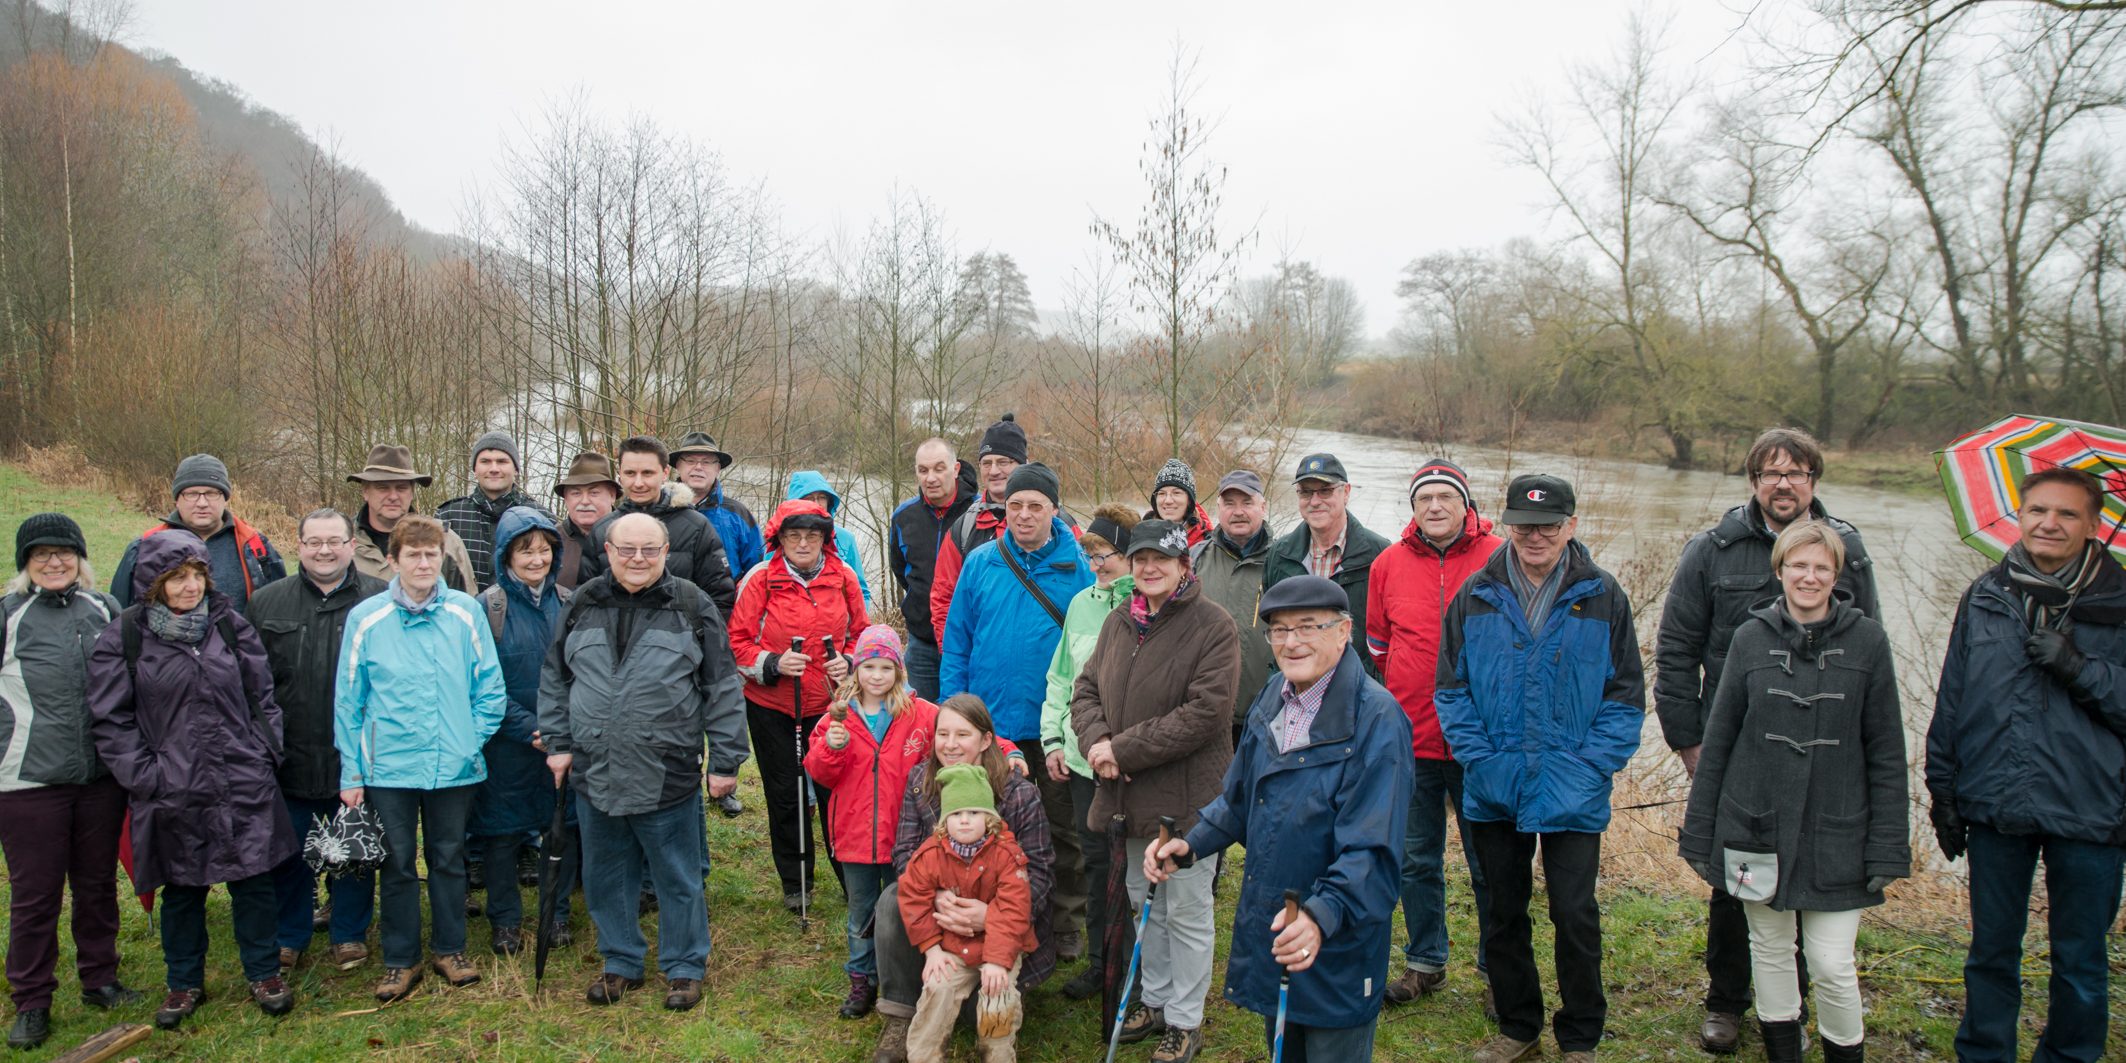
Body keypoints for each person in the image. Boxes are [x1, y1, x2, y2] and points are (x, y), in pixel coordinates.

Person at [1652, 427, 1879, 1053]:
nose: (1784, 484)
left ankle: (1791, 1006)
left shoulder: (1848, 551)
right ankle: (1726, 1001)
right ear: (1753, 481)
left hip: (1823, 755)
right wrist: (1689, 741)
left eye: (1796, 473)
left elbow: (1871, 655)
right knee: (1735, 883)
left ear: (1813, 481)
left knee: (1809, 877)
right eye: (1772, 472)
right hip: (1735, 751)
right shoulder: (1711, 550)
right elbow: (1676, 650)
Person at [1146, 575, 1415, 1062]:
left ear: (1343, 631)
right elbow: (1239, 797)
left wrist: (1320, 915)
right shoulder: (1274, 694)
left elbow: (1371, 850)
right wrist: (1191, 843)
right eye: (1279, 630)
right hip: (1279, 926)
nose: (1292, 642)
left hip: (1336, 939)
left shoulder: (1378, 719)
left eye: (1308, 626)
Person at [1434, 474, 1645, 1063]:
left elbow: (1626, 696)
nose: (1535, 536)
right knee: (1502, 912)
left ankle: (1580, 1037)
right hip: (1495, 786)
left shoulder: (1602, 596)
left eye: (1548, 526)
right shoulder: (1476, 593)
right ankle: (1518, 1027)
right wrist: (1481, 759)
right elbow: (1451, 690)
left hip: (1572, 786)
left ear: (1571, 526)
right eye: (1524, 526)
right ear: (1507, 525)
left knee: (1574, 913)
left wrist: (1591, 766)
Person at [1680, 520, 1908, 1063]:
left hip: (1839, 834)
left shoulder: (1869, 641)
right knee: (1770, 949)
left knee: (1831, 963)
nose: (1809, 577)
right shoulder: (1749, 639)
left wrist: (1888, 846)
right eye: (1798, 565)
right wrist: (1700, 833)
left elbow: (1887, 751)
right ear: (1779, 571)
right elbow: (1719, 743)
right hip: (1755, 826)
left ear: (1837, 575)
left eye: (1821, 567)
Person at [1927, 465, 2126, 1063]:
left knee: (2080, 959)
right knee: (1990, 952)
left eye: (2067, 513)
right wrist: (1944, 790)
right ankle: (1984, 1054)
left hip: (2091, 808)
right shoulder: (1986, 594)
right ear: (2019, 515)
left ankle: (2069, 1055)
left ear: (2094, 525)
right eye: (2038, 509)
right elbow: (1954, 696)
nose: (2049, 523)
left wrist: (2079, 668)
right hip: (1996, 800)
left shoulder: (2119, 601)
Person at [539, 512, 749, 1012]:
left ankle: (684, 966)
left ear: (665, 552)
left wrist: (725, 760)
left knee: (677, 875)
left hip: (666, 769)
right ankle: (620, 961)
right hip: (595, 769)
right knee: (607, 875)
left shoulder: (692, 605)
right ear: (608, 552)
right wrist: (558, 742)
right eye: (627, 549)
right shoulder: (582, 603)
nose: (638, 559)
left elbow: (721, 685)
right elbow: (555, 677)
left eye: (649, 550)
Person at [87, 532, 296, 1029]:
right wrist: (147, 775)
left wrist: (264, 753)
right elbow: (111, 719)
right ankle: (183, 982)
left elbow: (262, 695)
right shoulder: (127, 636)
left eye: (197, 575)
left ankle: (264, 973)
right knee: (182, 888)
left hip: (241, 775)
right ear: (153, 584)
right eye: (177, 578)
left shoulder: (228, 625)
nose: (190, 586)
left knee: (254, 880)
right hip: (172, 783)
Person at [1069, 518, 1239, 1063]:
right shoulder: (1120, 620)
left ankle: (1186, 1021)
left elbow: (1205, 713)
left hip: (1187, 800)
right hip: (1127, 795)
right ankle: (1158, 1002)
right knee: (1146, 901)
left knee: (1185, 908)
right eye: (1140, 559)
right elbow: (1085, 689)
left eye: (1161, 559)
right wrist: (1097, 742)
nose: (1149, 568)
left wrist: (1122, 750)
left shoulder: (1214, 626)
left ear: (1183, 565)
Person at [333, 515, 506, 1003]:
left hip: (454, 766)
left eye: (432, 554)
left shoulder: (465, 613)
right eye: (413, 555)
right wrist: (352, 771)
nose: (424, 563)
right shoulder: (367, 618)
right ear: (394, 560)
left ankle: (451, 949)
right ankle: (400, 958)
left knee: (449, 858)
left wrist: (469, 741)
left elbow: (490, 687)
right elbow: (349, 699)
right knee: (398, 862)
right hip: (389, 767)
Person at [939, 462, 1091, 961]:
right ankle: (991, 914)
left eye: (1035, 506)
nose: (1024, 515)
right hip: (991, 724)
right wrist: (955, 713)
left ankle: (1065, 920)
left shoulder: (1079, 569)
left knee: (1063, 826)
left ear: (1055, 511)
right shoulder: (981, 562)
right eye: (1016, 505)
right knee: (989, 824)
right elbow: (957, 642)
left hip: (1054, 726)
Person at [1365, 458, 1500, 1008]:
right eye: (1425, 498)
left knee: (1489, 862)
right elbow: (1378, 644)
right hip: (1413, 737)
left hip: (1482, 742)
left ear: (1466, 505)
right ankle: (1425, 960)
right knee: (1416, 857)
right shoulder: (1388, 563)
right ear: (1413, 508)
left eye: (1446, 496)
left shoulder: (1499, 557)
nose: (1436, 506)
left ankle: (1498, 970)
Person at [0, 516, 139, 1050]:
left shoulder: (104, 608)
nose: (54, 562)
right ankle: (32, 1000)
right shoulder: (9, 615)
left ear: (80, 558)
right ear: (26, 562)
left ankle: (100, 979)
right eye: (41, 554)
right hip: (28, 781)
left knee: (97, 883)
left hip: (100, 777)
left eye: (64, 553)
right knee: (36, 895)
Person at [869, 696, 1053, 1063]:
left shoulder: (1019, 793)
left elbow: (1040, 873)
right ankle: (900, 1014)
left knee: (981, 1016)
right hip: (942, 912)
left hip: (1002, 921)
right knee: (892, 898)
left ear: (986, 740)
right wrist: (936, 897)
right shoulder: (921, 781)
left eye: (962, 735)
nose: (950, 745)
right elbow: (904, 851)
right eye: (943, 734)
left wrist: (990, 915)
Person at [250, 509, 385, 975]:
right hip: (290, 751)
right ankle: (290, 934)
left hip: (357, 753)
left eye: (334, 541)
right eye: (314, 542)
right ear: (299, 546)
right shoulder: (267, 603)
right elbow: (252, 682)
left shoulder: (379, 598)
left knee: (353, 848)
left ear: (352, 545)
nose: (324, 551)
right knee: (290, 852)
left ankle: (349, 933)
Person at [730, 499, 868, 912]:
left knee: (837, 794)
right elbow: (735, 642)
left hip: (831, 705)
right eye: (794, 536)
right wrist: (772, 663)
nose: (803, 543)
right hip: (773, 706)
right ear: (780, 539)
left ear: (825, 539)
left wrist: (849, 661)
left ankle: (851, 877)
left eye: (812, 535)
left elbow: (862, 635)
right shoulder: (760, 579)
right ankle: (796, 882)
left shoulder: (843, 577)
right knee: (786, 794)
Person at [803, 625, 939, 1020]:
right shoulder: (837, 718)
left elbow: (959, 738)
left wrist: (1007, 751)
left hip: (905, 837)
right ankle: (862, 978)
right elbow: (818, 772)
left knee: (905, 908)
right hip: (855, 835)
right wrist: (831, 749)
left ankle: (905, 977)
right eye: (868, 667)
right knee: (860, 913)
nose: (876, 676)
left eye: (885, 667)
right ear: (855, 669)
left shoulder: (921, 714)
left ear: (899, 670)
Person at [1039, 504, 1138, 1001]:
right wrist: (1053, 740)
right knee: (1096, 862)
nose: (1097, 565)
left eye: (1106, 555)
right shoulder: (1080, 604)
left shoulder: (1147, 605)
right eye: (1091, 555)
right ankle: (1103, 963)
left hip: (1132, 763)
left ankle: (1139, 968)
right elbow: (1062, 677)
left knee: (1134, 867)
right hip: (1082, 762)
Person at [470, 507, 568, 958]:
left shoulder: (569, 603)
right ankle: (505, 920)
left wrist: (561, 729)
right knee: (502, 836)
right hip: (506, 743)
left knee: (560, 830)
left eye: (544, 550)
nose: (536, 559)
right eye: (526, 550)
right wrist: (529, 728)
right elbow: (482, 683)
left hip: (561, 741)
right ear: (506, 555)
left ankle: (556, 913)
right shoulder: (486, 609)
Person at [898, 763, 1038, 1063]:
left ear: (989, 817)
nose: (964, 821)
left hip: (999, 946)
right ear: (944, 820)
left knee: (997, 998)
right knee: (937, 988)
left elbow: (1014, 912)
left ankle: (997, 1056)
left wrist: (998, 961)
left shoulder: (1007, 855)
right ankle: (924, 1056)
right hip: (953, 945)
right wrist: (932, 949)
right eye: (956, 814)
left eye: (973, 813)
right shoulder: (930, 854)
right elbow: (913, 898)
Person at [1261, 453, 1388, 681]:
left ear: (1346, 492)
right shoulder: (1279, 554)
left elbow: (1387, 637)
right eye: (1306, 492)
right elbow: (1274, 626)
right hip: (1294, 686)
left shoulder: (1379, 555)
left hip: (1355, 688)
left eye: (1325, 491)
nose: (1315, 501)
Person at [110, 453, 285, 614]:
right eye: (192, 494)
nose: (202, 503)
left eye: (211, 493)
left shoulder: (256, 547)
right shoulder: (145, 548)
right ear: (177, 499)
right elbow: (121, 617)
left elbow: (279, 612)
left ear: (225, 498)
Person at [586, 435, 737, 616]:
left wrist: (694, 633)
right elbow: (585, 598)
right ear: (620, 474)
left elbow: (720, 598)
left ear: (665, 473)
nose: (638, 483)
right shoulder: (602, 530)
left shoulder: (696, 527)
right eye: (630, 473)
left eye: (647, 473)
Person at [1190, 470, 1277, 747]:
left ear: (1263, 507)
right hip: (1203, 713)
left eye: (1247, 502)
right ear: (1218, 508)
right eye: (1229, 503)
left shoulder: (1283, 561)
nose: (1238, 512)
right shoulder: (1195, 559)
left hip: (1266, 717)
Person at [889, 438, 979, 700]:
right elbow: (901, 570)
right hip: (922, 644)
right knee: (923, 718)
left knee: (966, 717)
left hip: (970, 643)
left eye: (939, 468)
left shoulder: (978, 513)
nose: (930, 478)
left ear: (956, 469)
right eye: (923, 470)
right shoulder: (903, 516)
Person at [927, 413, 1028, 645]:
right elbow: (944, 599)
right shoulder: (964, 528)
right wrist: (953, 654)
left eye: (1003, 462)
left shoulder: (1055, 522)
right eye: (987, 463)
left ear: (1024, 464)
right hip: (981, 657)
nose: (994, 471)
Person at [344, 444, 478, 595]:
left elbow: (467, 604)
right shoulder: (341, 543)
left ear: (412, 492)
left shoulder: (446, 541)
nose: (393, 496)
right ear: (365, 492)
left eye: (401, 488)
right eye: (383, 488)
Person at [436, 430, 552, 592]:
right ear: (475, 469)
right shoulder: (449, 516)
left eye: (502, 461)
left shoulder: (540, 517)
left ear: (516, 469)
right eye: (485, 461)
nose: (494, 469)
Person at [672, 431, 764, 578]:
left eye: (707, 462)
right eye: (690, 460)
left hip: (725, 593)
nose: (698, 467)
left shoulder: (738, 515)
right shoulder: (661, 511)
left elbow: (757, 573)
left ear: (718, 469)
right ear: (678, 466)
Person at [786, 469, 874, 607]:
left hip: (836, 618)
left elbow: (861, 591)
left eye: (822, 497)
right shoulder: (782, 539)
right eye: (809, 498)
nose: (817, 503)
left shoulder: (845, 539)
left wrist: (856, 618)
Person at [552, 450, 620, 592]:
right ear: (565, 498)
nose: (584, 501)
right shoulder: (551, 541)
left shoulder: (634, 538)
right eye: (576, 493)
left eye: (594, 493)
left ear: (612, 495)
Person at [1145, 458, 1211, 547]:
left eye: (1176, 493)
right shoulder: (1140, 536)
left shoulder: (1208, 545)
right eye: (1162, 493)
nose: (1168, 501)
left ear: (1189, 501)